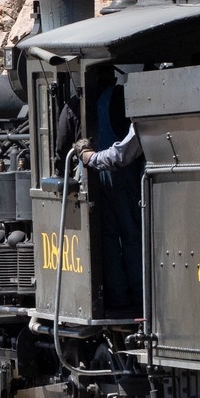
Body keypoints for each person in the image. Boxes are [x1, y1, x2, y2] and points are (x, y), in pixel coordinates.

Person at [76, 123, 144, 312]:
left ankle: (120, 296)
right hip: (119, 172)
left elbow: (124, 152)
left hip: (107, 167)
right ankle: (138, 296)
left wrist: (91, 158)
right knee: (129, 237)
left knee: (112, 238)